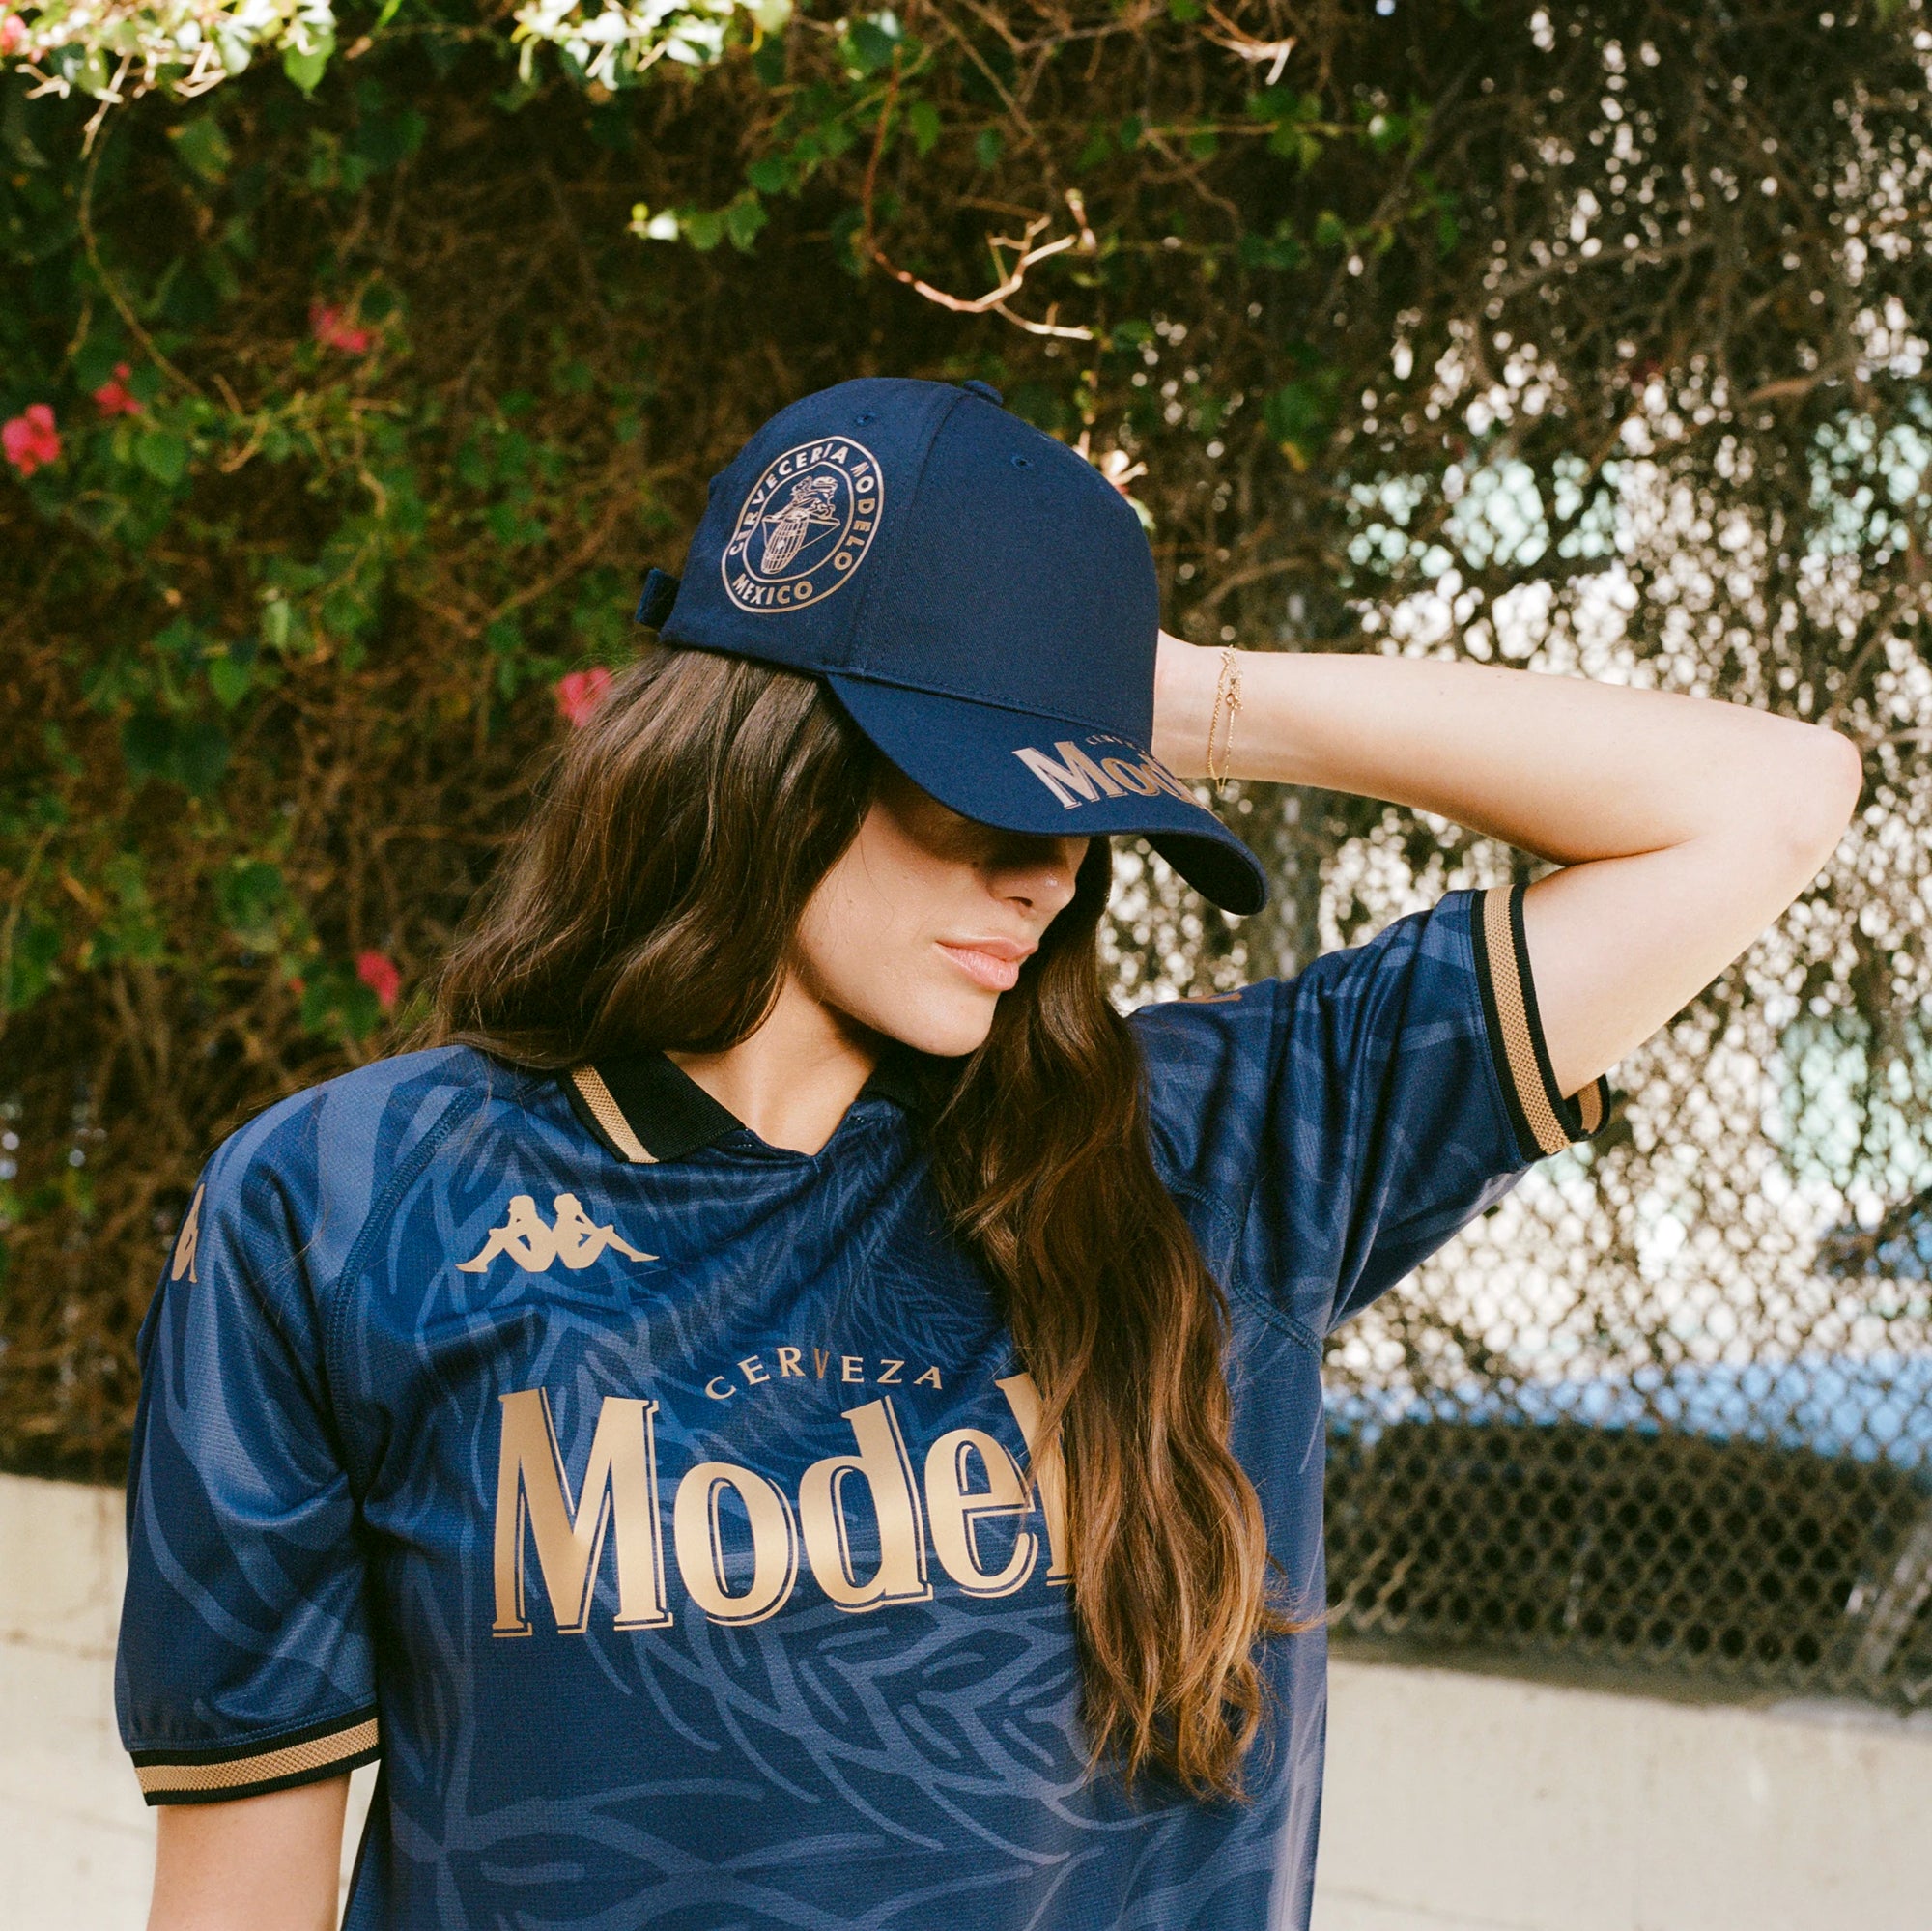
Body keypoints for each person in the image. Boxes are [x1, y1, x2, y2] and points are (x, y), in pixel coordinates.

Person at [117, 377, 1861, 1931]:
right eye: (989, 788)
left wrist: (1168, 699)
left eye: (1091, 813)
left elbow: (1763, 802)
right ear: (767, 754)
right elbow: (241, 1887)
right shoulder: (345, 1206)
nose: (1051, 873)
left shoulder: (1216, 1153)